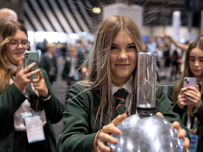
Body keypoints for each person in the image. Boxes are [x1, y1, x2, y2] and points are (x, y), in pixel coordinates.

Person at [58, 15, 190, 152]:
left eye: (130, 47)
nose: (123, 56)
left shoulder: (151, 91)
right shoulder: (82, 94)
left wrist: (179, 135)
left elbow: (179, 128)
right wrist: (96, 140)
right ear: (101, 52)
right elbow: (66, 142)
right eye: (114, 47)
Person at [0, 21, 64, 152]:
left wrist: (46, 94)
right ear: (3, 46)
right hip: (13, 144)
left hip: (41, 140)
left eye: (24, 42)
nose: (20, 47)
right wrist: (16, 87)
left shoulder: (40, 73)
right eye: (13, 42)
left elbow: (57, 115)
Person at [167, 39, 203, 152]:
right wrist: (179, 107)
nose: (196, 64)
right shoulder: (175, 88)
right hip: (181, 146)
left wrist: (200, 106)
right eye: (192, 60)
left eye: (202, 60)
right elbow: (168, 124)